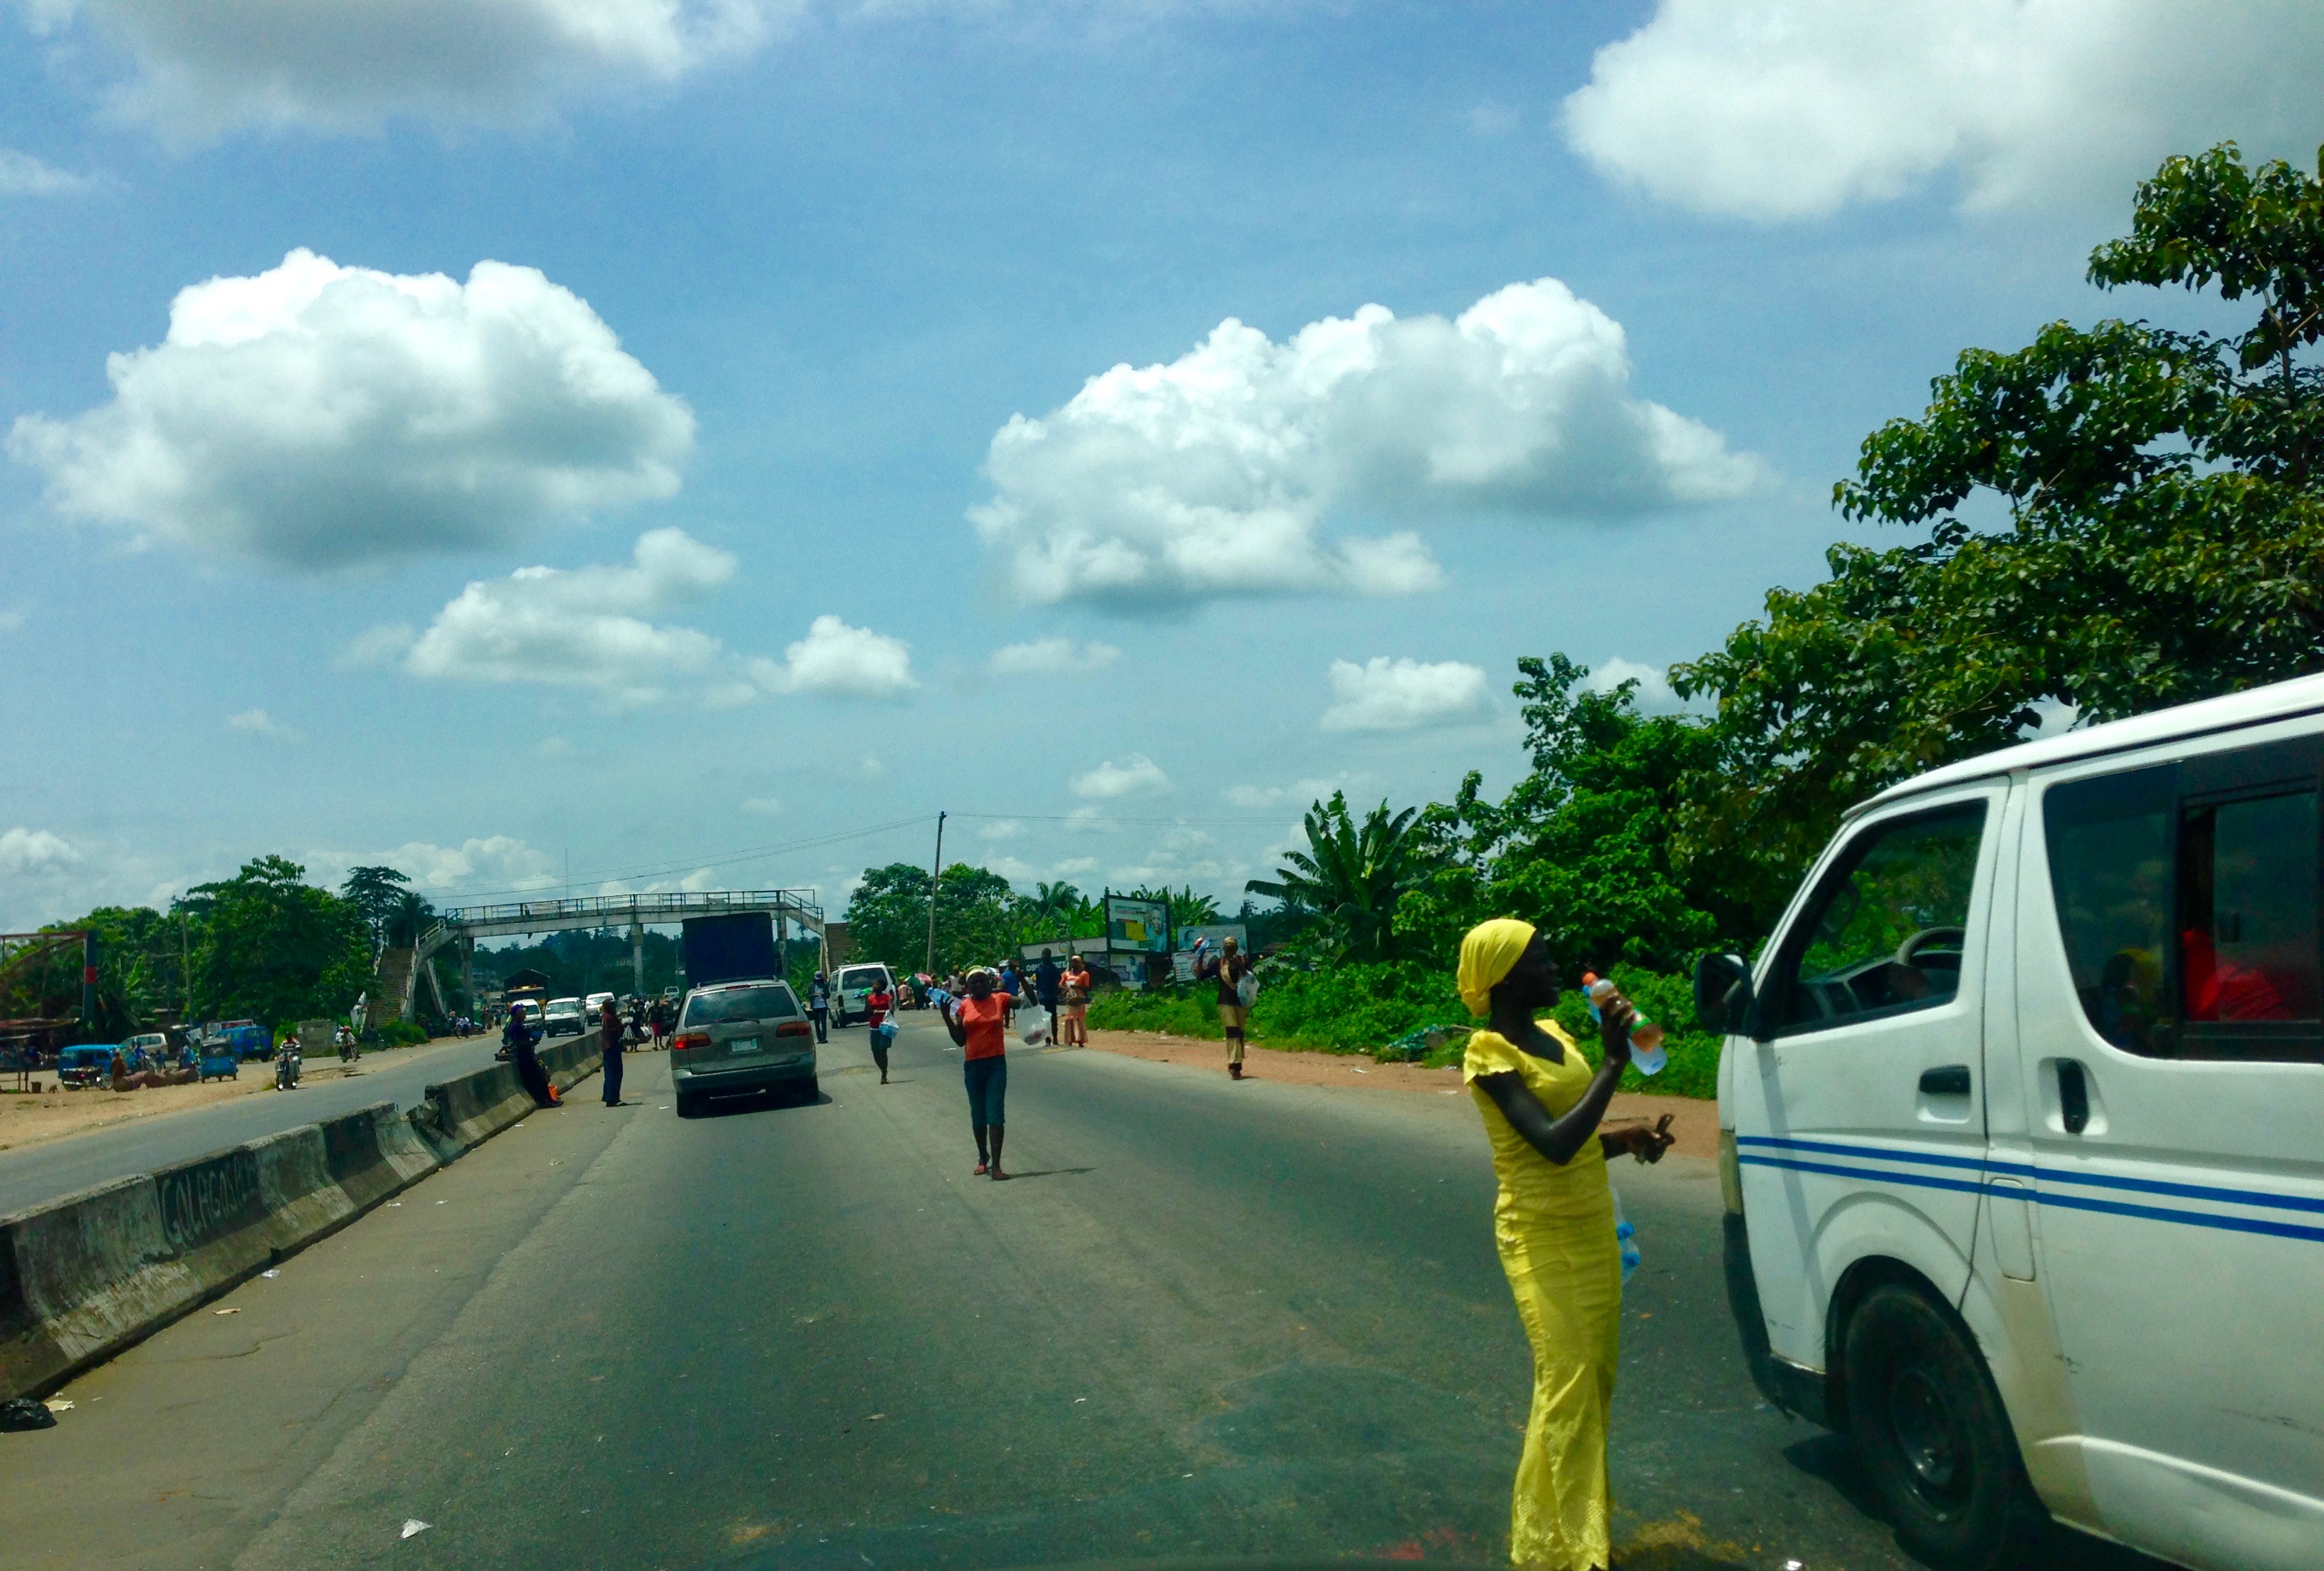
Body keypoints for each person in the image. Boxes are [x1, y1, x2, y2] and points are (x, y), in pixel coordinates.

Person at [1457, 919, 1674, 1571]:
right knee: (1568, 1383)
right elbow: (1551, 1145)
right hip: (1538, 1232)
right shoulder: (1489, 1054)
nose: (1554, 969)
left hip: (1592, 1222)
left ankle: (1557, 1540)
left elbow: (1577, 1141)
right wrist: (1613, 1063)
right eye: (1540, 959)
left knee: (1592, 1381)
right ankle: (1573, 1552)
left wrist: (1625, 1139)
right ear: (1504, 977)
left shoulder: (1556, 1033)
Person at [941, 967, 1015, 1178]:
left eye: (982, 981)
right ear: (968, 987)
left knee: (995, 1112)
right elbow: (960, 1040)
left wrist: (1020, 978)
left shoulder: (1000, 999)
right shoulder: (964, 1006)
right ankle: (983, 1157)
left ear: (990, 982)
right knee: (978, 1114)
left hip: (996, 1065)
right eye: (974, 982)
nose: (979, 985)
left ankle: (997, 1166)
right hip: (973, 1066)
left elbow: (1029, 1002)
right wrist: (946, 1017)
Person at [1201, 936, 1255, 1080]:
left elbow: (1250, 978)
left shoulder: (1244, 961)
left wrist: (1239, 965)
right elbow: (1201, 976)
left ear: (1236, 949)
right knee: (1232, 1031)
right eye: (1227, 949)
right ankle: (1235, 1067)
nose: (1230, 952)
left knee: (1240, 1032)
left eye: (1232, 949)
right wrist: (1200, 956)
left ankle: (1237, 1063)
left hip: (1241, 1002)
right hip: (1225, 1001)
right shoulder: (1218, 964)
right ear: (1224, 950)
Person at [503, 1003, 556, 1107]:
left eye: (523, 1013)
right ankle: (545, 1101)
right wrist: (530, 1043)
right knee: (538, 1079)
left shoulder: (519, 1025)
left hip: (527, 1055)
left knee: (540, 1078)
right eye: (521, 1013)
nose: (523, 1015)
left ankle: (549, 1100)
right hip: (524, 1057)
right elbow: (518, 1042)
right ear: (515, 1015)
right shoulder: (515, 1027)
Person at [865, 976, 896, 1084]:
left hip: (885, 1027)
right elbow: (868, 1013)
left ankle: (884, 1075)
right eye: (873, 985)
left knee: (883, 1050)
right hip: (874, 1028)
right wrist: (867, 1001)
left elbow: (891, 1011)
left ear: (882, 987)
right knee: (875, 1051)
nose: (874, 986)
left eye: (877, 985)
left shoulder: (888, 997)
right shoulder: (870, 999)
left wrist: (876, 1012)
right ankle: (883, 1069)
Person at [1057, 954, 1092, 1047]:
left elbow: (1086, 987)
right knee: (1070, 1019)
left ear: (1080, 963)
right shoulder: (1066, 974)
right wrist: (1066, 988)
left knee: (1079, 1019)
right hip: (1070, 999)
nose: (1074, 964)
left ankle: (1080, 1040)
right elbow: (1060, 985)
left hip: (1079, 999)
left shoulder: (1084, 974)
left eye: (1076, 962)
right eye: (1073, 962)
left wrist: (1076, 986)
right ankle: (1070, 1039)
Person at [598, 996, 626, 1107]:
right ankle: (612, 1098)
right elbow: (612, 1033)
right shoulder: (609, 1018)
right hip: (611, 1048)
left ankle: (612, 1098)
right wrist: (621, 1027)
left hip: (611, 1048)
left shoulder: (609, 1017)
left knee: (612, 1074)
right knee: (614, 1074)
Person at [1035, 949, 1062, 1043]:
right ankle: (1047, 1039)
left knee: (1053, 1018)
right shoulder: (1039, 968)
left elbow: (1059, 979)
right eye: (1043, 954)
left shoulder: (1054, 968)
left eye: (1046, 954)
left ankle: (1055, 1037)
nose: (1044, 956)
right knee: (1045, 1019)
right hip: (1042, 997)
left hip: (1051, 996)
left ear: (1050, 956)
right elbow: (1037, 982)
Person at [808, 972, 831, 1044]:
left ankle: (824, 1038)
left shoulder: (825, 985)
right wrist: (813, 995)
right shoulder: (811, 986)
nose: (819, 982)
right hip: (815, 1007)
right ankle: (819, 1039)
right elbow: (808, 995)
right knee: (817, 1023)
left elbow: (828, 995)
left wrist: (824, 995)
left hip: (823, 1006)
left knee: (823, 1023)